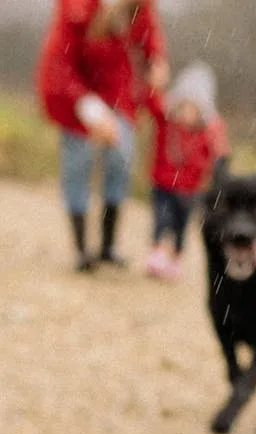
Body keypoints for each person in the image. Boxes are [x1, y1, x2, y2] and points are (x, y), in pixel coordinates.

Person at [36, 0, 170, 272]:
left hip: (119, 96)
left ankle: (108, 246)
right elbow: (59, 64)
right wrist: (89, 107)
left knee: (120, 161)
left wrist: (157, 62)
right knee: (78, 163)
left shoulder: (140, 8)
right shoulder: (74, 9)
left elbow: (150, 41)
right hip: (77, 96)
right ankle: (82, 249)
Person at [144, 61, 229, 281]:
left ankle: (175, 258)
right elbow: (153, 103)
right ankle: (157, 253)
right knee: (161, 220)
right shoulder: (167, 123)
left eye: (193, 108)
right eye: (183, 106)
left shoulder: (206, 133)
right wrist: (155, 83)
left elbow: (218, 152)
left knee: (181, 226)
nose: (186, 113)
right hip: (162, 184)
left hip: (188, 190)